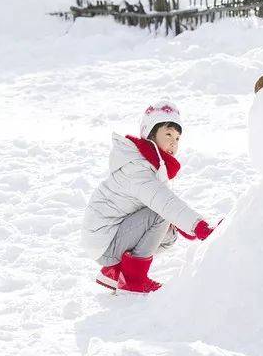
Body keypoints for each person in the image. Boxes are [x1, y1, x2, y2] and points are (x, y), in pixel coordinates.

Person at [80, 100, 217, 294]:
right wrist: (199, 227)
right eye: (168, 134)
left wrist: (185, 227)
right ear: (151, 135)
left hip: (109, 236)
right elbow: (164, 203)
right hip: (104, 241)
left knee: (169, 234)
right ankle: (133, 280)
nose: (173, 142)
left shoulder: (150, 165)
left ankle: (115, 272)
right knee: (161, 215)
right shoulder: (138, 168)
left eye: (177, 138)